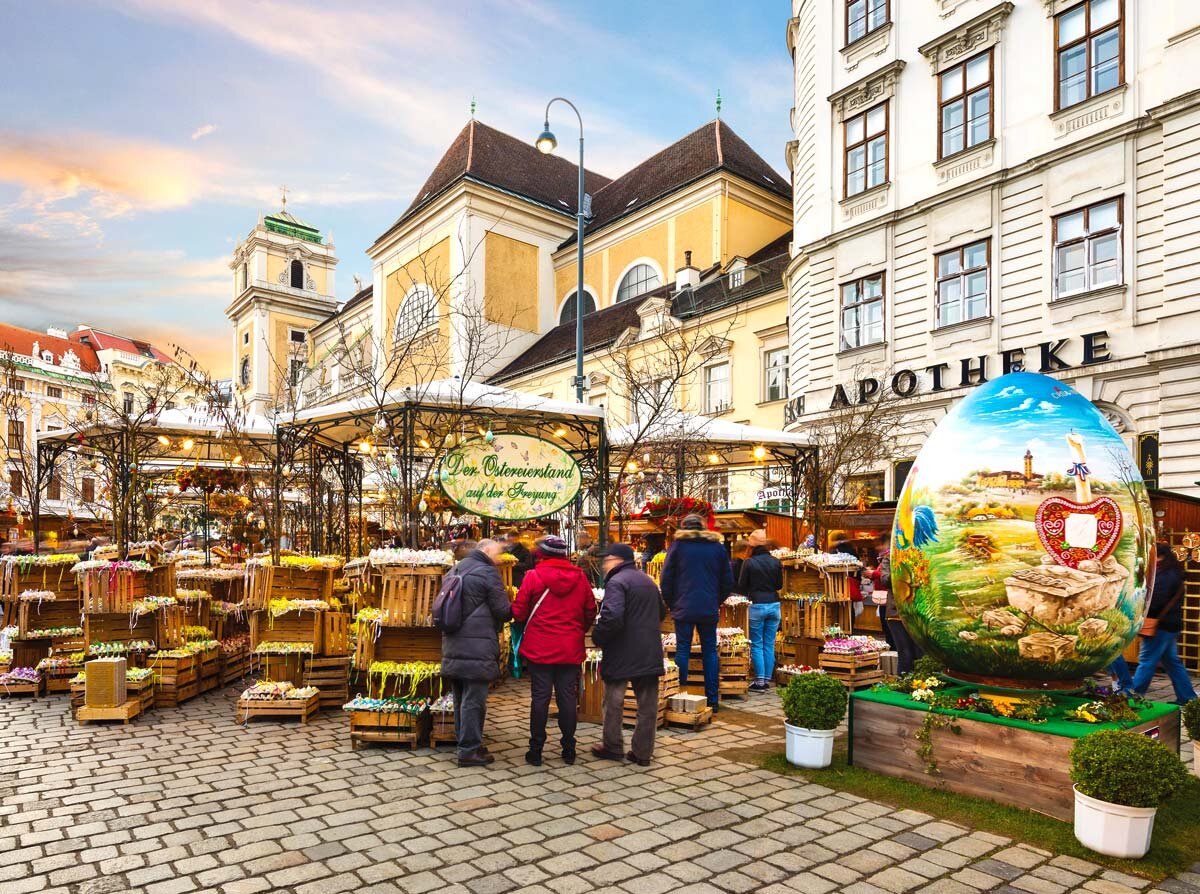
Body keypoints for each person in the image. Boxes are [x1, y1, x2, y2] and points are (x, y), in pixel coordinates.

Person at [511, 535, 595, 766]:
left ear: (542, 554)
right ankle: (569, 748)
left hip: (540, 647)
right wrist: (576, 630)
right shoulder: (579, 577)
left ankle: (536, 750)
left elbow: (518, 612)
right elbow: (590, 609)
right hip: (569, 646)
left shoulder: (533, 576)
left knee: (540, 697)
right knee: (567, 697)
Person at [440, 538, 513, 767]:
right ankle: (468, 751)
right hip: (477, 647)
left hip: (454, 643)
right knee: (474, 701)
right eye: (499, 553)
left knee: (462, 697)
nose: (500, 559)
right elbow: (503, 611)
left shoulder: (456, 568)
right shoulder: (488, 573)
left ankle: (466, 743)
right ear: (488, 551)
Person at [591, 543, 666, 766]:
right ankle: (643, 752)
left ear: (618, 560)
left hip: (622, 650)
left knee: (613, 701)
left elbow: (612, 616)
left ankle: (612, 746)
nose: (604, 565)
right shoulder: (647, 581)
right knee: (648, 704)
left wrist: (598, 636)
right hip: (649, 650)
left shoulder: (617, 582)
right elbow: (661, 611)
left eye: (607, 560)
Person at [660, 514, 733, 711]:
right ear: (703, 527)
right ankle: (712, 700)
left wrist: (672, 604)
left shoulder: (678, 546)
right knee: (709, 650)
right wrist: (715, 601)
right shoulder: (717, 547)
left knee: (683, 649)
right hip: (708, 606)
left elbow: (665, 578)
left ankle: (678, 696)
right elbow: (728, 580)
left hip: (683, 606)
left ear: (684, 527)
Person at [1130, 543, 1198, 704]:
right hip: (1172, 623)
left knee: (1147, 660)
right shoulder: (1174, 572)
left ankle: (1134, 697)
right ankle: (1187, 697)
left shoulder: (1162, 574)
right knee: (1172, 662)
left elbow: (1156, 599)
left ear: (1157, 555)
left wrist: (1142, 612)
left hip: (1160, 625)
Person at [739, 529, 783, 692]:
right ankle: (766, 679)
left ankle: (760, 682)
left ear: (752, 544)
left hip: (757, 605)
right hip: (774, 605)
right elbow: (779, 585)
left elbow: (742, 585)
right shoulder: (776, 561)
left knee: (757, 643)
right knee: (769, 644)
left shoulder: (749, 563)